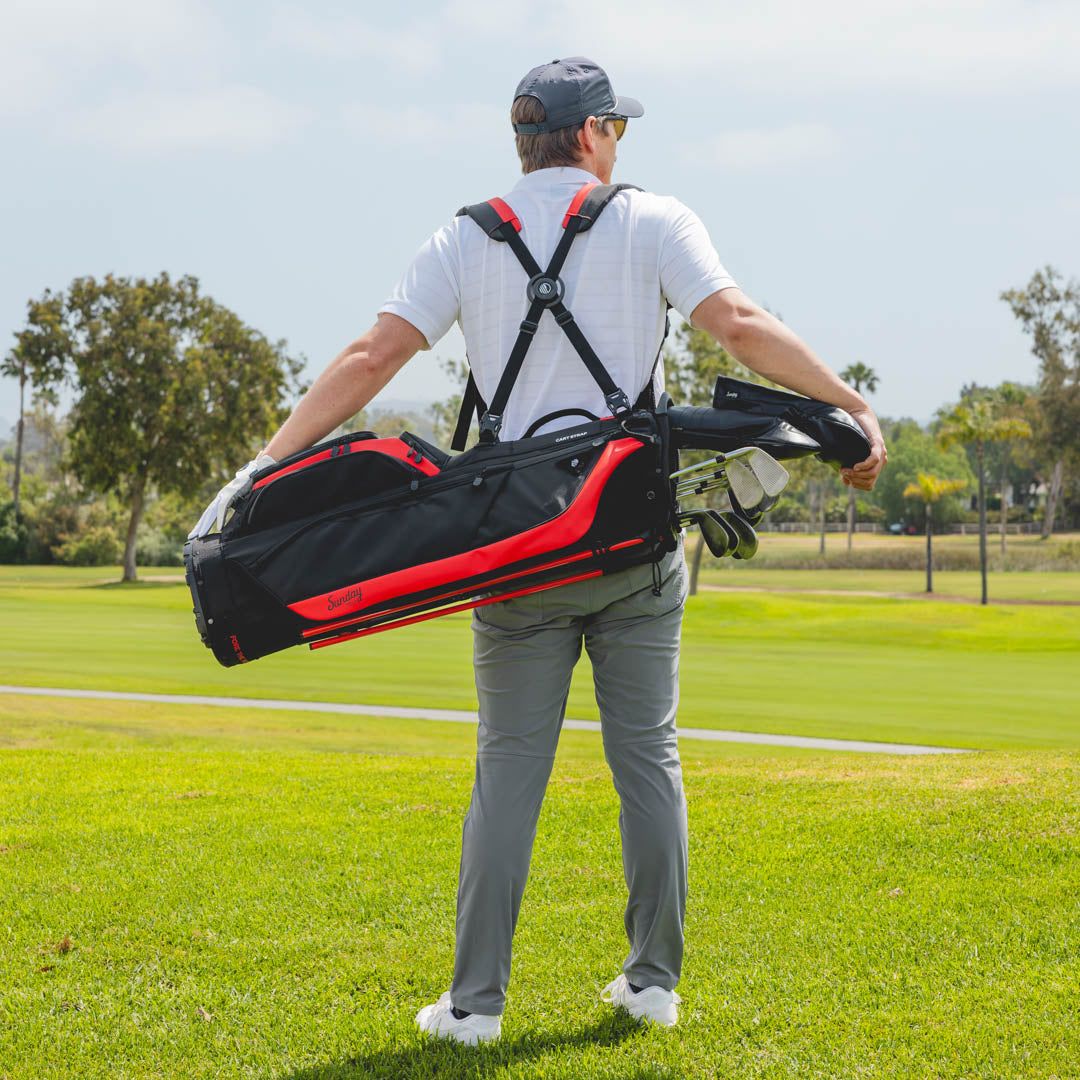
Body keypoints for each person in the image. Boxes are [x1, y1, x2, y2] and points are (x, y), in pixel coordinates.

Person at [192, 56, 886, 1044]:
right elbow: (736, 325)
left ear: (524, 139)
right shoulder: (653, 220)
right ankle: (652, 985)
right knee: (649, 759)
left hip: (517, 556)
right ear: (594, 134)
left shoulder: (464, 237)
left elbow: (371, 356)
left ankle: (474, 1008)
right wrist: (848, 405)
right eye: (619, 132)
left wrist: (261, 465)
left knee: (508, 770)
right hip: (633, 543)